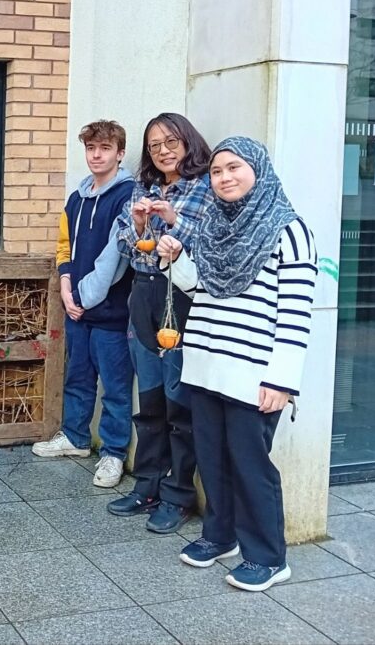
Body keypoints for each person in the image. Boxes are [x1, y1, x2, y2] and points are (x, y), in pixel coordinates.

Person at [157, 136, 315, 592]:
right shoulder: (213, 227)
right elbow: (198, 288)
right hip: (206, 364)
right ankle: (219, 536)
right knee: (212, 458)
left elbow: (296, 312)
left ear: (258, 170)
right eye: (217, 172)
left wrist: (282, 381)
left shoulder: (289, 230)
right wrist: (177, 259)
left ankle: (268, 556)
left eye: (234, 168)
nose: (224, 178)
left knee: (250, 464)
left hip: (253, 373)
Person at [108, 113, 213, 533]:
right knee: (149, 402)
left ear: (188, 141)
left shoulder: (205, 187)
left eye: (171, 141)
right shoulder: (142, 188)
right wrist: (137, 224)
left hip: (183, 300)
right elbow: (125, 246)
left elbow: (208, 243)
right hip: (144, 298)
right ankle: (147, 483)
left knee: (179, 405)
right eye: (154, 145)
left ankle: (178, 493)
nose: (163, 150)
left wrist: (172, 220)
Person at [31, 120, 134, 489]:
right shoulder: (75, 199)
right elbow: (65, 247)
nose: (96, 155)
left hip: (111, 313)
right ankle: (75, 438)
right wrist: (65, 287)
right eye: (91, 148)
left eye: (105, 148)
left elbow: (115, 257)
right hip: (77, 308)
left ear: (120, 154)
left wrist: (85, 298)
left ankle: (113, 454)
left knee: (116, 388)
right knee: (78, 378)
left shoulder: (128, 196)